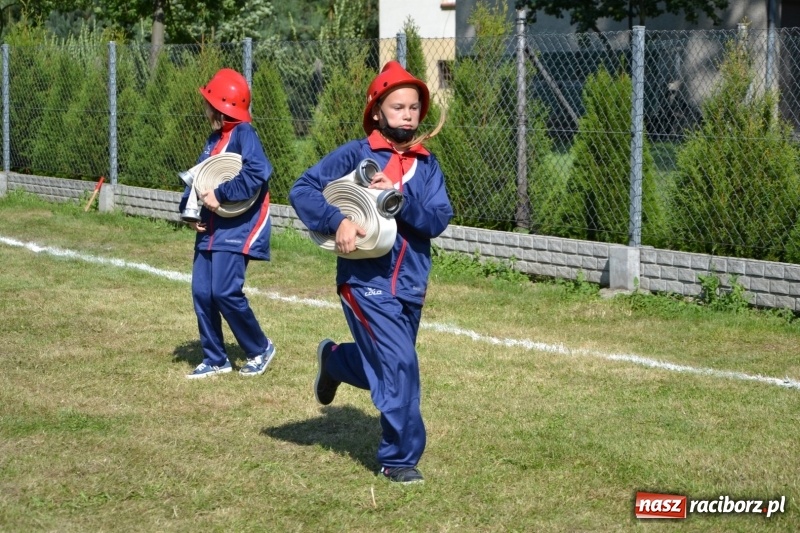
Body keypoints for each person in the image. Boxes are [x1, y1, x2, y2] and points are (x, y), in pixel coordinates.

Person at [289, 61, 453, 484]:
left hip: (411, 284)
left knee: (385, 366)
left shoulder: (427, 165)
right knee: (400, 365)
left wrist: (398, 197)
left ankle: (335, 361)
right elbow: (301, 189)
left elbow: (437, 219)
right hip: (364, 282)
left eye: (414, 107)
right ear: (377, 112)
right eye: (397, 106)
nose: (407, 114)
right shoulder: (354, 154)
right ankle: (398, 459)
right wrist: (336, 222)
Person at [179, 68, 276, 379]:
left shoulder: (245, 134)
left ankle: (260, 348)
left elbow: (256, 173)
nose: (204, 106)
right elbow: (200, 177)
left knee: (224, 292)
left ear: (221, 105)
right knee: (202, 292)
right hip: (211, 226)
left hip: (238, 226)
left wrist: (221, 194)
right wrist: (191, 211)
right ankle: (215, 358)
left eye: (208, 100)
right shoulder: (214, 138)